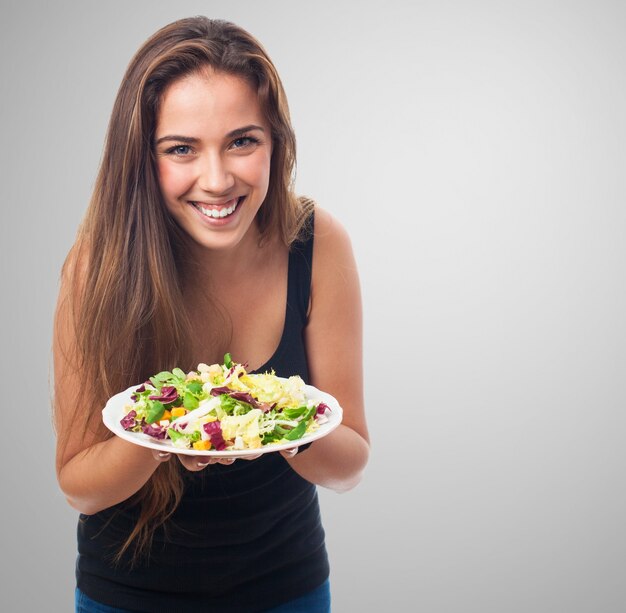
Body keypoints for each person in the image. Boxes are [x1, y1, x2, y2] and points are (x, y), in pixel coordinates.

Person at [52, 15, 369, 613]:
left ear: (276, 142)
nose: (217, 180)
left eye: (242, 141)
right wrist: (164, 435)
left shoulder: (317, 243)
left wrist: (276, 425)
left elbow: (350, 461)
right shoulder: (97, 264)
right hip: (128, 596)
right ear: (143, 158)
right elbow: (79, 486)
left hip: (287, 589)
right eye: (181, 149)